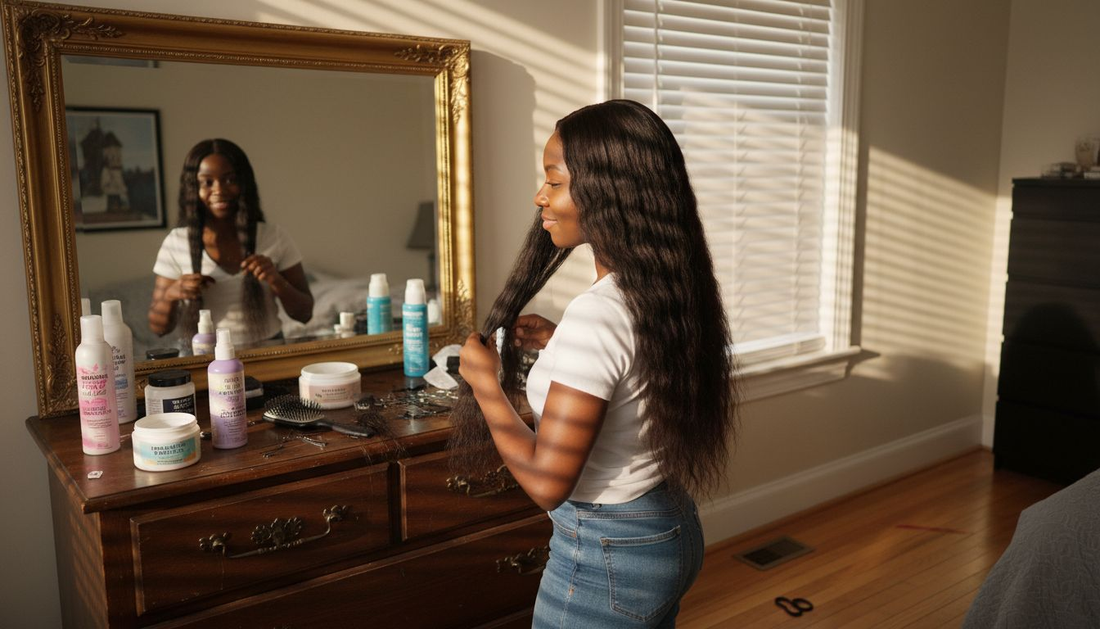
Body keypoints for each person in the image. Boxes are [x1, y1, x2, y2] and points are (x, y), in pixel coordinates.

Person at [452, 100, 738, 628]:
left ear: (609, 191)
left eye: (554, 182)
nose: (540, 197)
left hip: (610, 551)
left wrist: (485, 383)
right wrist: (563, 346)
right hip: (667, 526)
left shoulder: (598, 314)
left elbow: (546, 483)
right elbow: (638, 377)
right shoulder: (663, 287)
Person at [148, 138, 313, 346]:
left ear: (244, 184)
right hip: (203, 358)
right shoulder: (176, 242)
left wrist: (276, 280)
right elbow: (158, 328)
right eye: (207, 182)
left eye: (230, 179)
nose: (219, 190)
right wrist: (173, 294)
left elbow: (305, 314)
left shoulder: (274, 237)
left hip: (268, 352)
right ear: (192, 189)